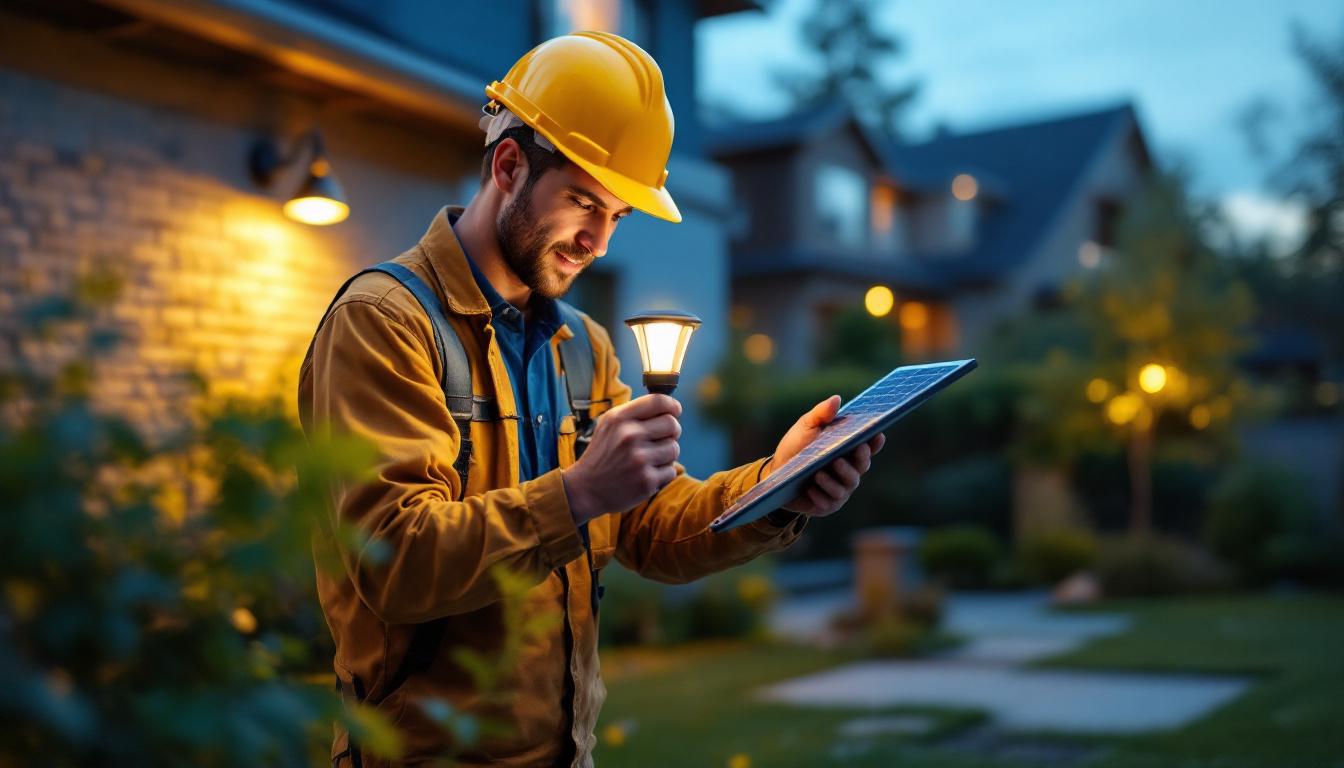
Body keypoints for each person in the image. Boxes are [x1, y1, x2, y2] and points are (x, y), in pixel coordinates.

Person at [298, 31, 884, 768]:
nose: (597, 242)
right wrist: (575, 494)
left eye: (618, 216)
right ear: (508, 165)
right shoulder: (385, 322)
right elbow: (393, 565)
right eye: (583, 202)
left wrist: (781, 485)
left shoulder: (584, 345)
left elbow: (650, 530)